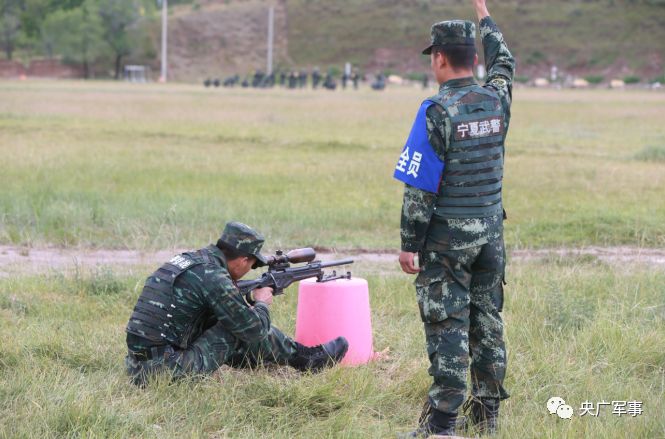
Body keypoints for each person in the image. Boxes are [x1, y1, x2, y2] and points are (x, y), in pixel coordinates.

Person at [393, 0, 515, 436]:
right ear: (475, 59)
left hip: (446, 243)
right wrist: (484, 15)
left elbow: (420, 189)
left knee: (447, 324)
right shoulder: (497, 99)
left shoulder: (436, 112)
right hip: (490, 237)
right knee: (487, 321)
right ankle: (486, 418)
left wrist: (410, 242)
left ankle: (442, 423)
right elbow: (506, 61)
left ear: (439, 58)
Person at [125, 221, 349, 387]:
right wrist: (260, 303)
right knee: (241, 327)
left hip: (137, 368)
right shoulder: (214, 277)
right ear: (243, 260)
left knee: (229, 320)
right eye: (252, 265)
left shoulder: (191, 261)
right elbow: (253, 330)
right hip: (164, 373)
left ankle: (288, 356)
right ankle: (305, 359)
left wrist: (243, 301)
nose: (248, 271)